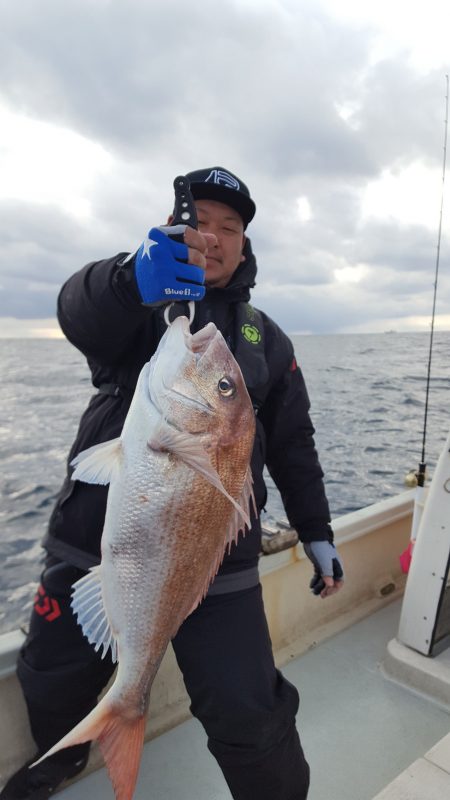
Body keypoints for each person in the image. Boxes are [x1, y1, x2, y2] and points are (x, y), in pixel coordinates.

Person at [1, 166, 344, 800]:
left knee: (253, 713)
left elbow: (293, 444)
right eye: (200, 222)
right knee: (51, 677)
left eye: (230, 227)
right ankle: (53, 770)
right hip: (93, 546)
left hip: (219, 558)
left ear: (245, 244)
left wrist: (317, 531)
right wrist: (130, 276)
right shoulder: (137, 304)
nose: (214, 238)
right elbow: (77, 311)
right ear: (175, 228)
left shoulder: (264, 337)